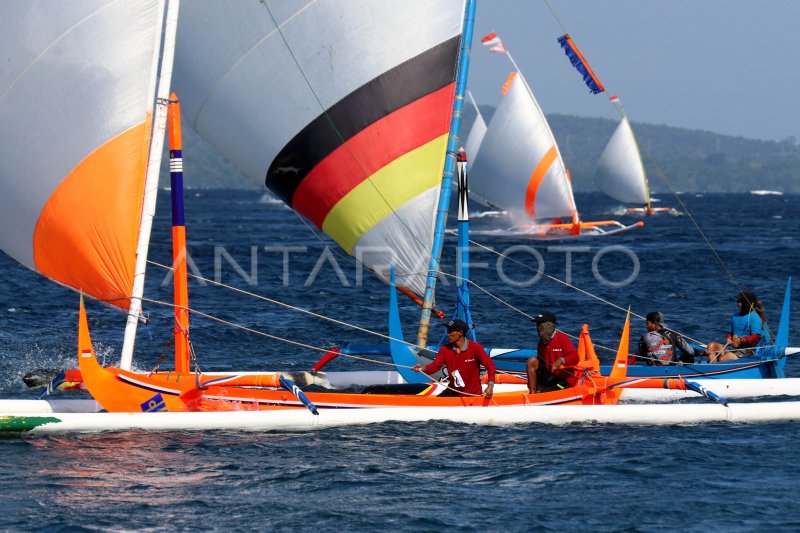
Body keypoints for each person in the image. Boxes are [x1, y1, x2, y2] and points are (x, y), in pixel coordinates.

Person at [412, 319, 495, 398]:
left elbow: (490, 366)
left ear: (460, 333)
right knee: (434, 406)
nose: (447, 334)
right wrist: (423, 368)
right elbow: (435, 366)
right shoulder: (444, 350)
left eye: (450, 331)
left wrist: (490, 385)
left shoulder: (475, 348)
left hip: (472, 394)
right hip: (453, 391)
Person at [706, 291, 770, 362]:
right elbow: (730, 332)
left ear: (748, 304)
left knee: (722, 358)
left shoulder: (754, 318)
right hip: (733, 349)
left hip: (748, 351)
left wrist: (742, 340)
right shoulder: (735, 316)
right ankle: (713, 368)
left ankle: (717, 368)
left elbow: (756, 337)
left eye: (742, 302)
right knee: (711, 346)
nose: (739, 304)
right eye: (738, 301)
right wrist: (729, 337)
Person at [526, 312, 579, 393]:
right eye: (537, 325)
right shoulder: (541, 344)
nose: (537, 327)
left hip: (563, 381)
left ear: (548, 326)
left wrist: (561, 360)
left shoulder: (561, 338)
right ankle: (532, 394)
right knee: (531, 361)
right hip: (549, 377)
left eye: (540, 324)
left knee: (546, 390)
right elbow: (540, 366)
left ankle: (543, 392)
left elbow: (575, 357)